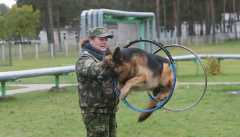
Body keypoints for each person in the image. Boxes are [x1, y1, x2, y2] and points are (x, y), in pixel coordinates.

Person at [75, 27, 119, 137]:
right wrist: (114, 62)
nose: (104, 42)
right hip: (95, 112)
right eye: (101, 39)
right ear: (91, 40)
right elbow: (94, 69)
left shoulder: (105, 57)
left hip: (110, 110)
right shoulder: (84, 58)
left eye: (106, 39)